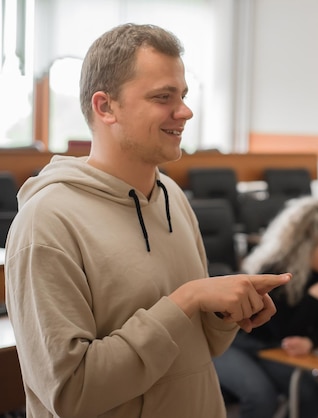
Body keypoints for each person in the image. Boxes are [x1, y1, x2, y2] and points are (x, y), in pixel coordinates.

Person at [4, 23, 290, 418]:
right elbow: (71, 395)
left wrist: (225, 314)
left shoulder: (172, 196)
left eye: (184, 96)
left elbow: (199, 350)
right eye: (163, 97)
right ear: (105, 107)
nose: (185, 112)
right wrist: (186, 300)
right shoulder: (46, 223)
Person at [214, 196, 318, 418]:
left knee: (310, 396)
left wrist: (310, 341)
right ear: (305, 248)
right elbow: (279, 329)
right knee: (260, 398)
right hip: (236, 343)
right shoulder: (272, 271)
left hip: (272, 350)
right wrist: (314, 296)